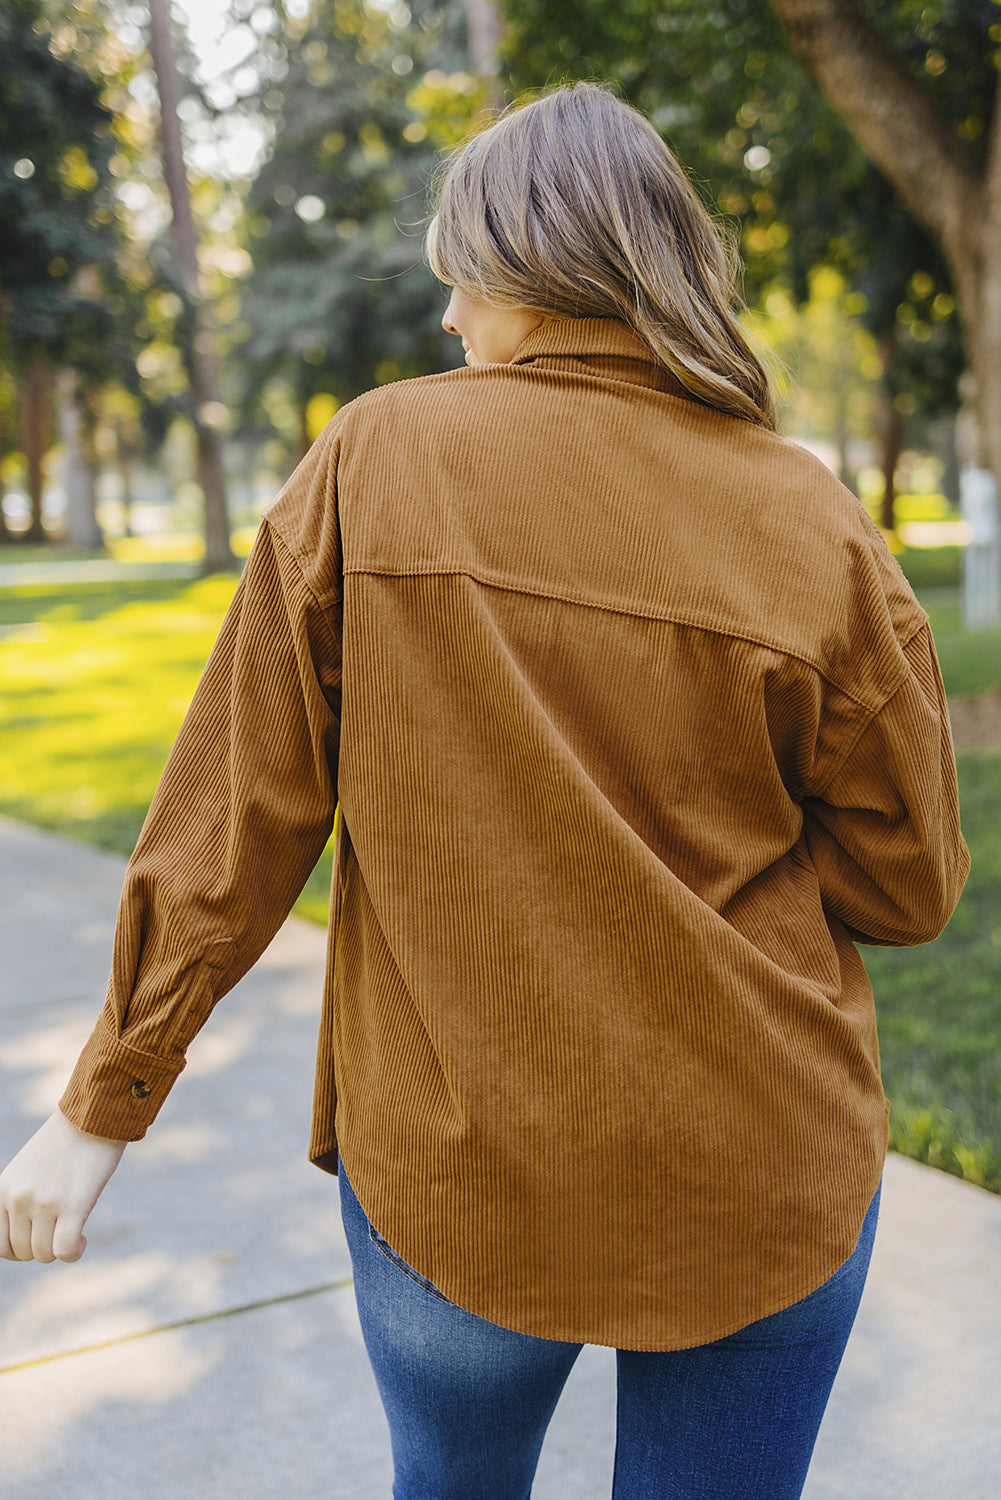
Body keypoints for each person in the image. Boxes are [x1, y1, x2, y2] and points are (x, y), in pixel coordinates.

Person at [0, 80, 970, 1499]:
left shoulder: (374, 458)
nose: (448, 315)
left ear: (528, 266)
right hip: (762, 1164)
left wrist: (104, 1102)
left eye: (462, 275)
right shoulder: (810, 516)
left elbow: (238, 818)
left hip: (461, 1166)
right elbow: (910, 884)